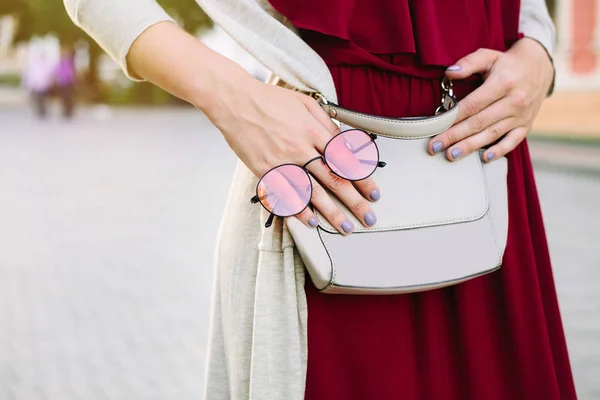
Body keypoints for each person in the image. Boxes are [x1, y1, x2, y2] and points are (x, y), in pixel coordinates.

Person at [64, 0, 577, 399]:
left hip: (482, 179)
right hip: (320, 181)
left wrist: (537, 53)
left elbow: (527, 12)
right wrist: (233, 99)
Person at [22, 49, 55, 119]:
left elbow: (49, 74)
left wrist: (48, 82)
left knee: (42, 98)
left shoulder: (45, 64)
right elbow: (30, 75)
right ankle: (41, 111)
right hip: (37, 84)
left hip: (42, 84)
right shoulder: (34, 65)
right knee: (38, 98)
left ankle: (43, 111)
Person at [54, 46, 77, 119]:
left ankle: (69, 111)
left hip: (68, 82)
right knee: (63, 98)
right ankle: (65, 111)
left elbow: (71, 72)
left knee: (68, 97)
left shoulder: (69, 61)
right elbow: (57, 71)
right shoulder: (60, 62)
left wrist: (73, 80)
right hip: (61, 82)